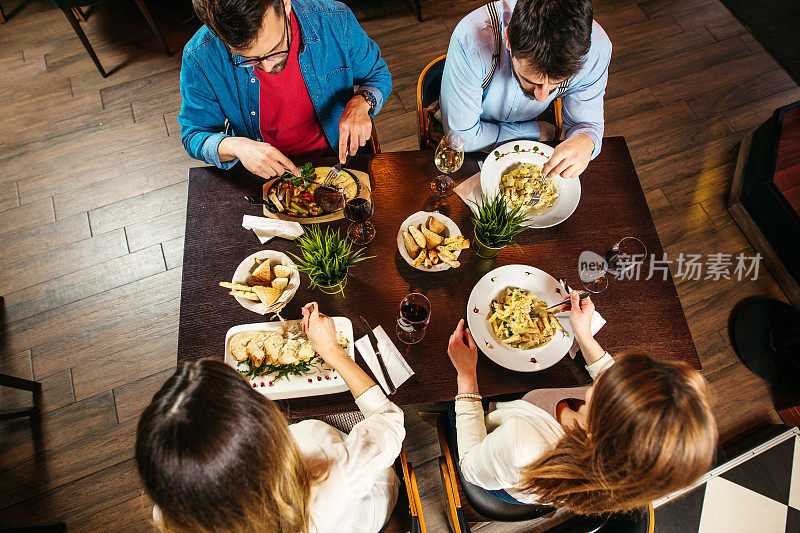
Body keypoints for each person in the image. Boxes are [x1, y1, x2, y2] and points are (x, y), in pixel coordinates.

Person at [136, 302, 405, 533]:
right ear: (260, 430)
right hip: (368, 504)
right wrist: (333, 351)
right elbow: (389, 419)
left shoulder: (173, 504)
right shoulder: (333, 473)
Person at [445, 291, 717, 514]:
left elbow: (470, 465)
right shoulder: (623, 455)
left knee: (442, 397)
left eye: (612, 386)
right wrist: (584, 334)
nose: (610, 373)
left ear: (603, 423)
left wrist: (466, 375)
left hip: (498, 467)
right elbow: (609, 375)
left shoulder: (523, 446)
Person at [179, 0, 392, 178]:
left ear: (285, 4)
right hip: (266, 176)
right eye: (248, 60)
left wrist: (362, 102)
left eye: (275, 51)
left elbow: (378, 74)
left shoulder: (334, 19)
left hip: (341, 162)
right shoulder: (200, 56)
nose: (268, 68)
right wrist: (237, 147)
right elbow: (194, 135)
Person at [440, 0, 611, 179]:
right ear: (508, 39)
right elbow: (463, 137)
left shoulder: (597, 50)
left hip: (535, 132)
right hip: (471, 141)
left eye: (557, 83)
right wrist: (534, 131)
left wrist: (586, 139)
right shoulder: (471, 41)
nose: (542, 97)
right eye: (531, 81)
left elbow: (586, 124)